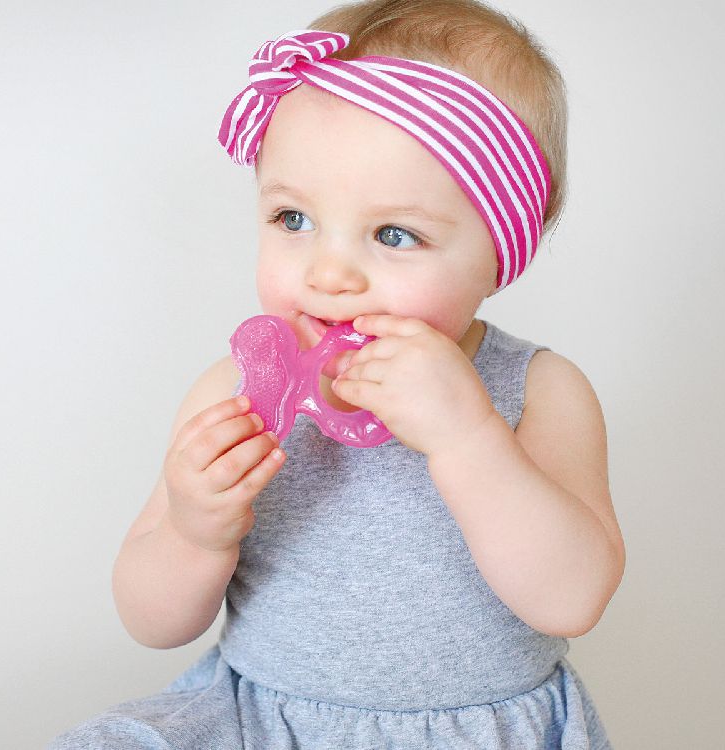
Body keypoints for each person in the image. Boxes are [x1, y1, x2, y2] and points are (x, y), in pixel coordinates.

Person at [50, 1, 625, 747]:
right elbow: (150, 622)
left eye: (393, 234)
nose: (329, 274)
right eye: (293, 219)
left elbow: (572, 599)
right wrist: (195, 531)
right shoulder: (235, 392)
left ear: (499, 253)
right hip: (267, 725)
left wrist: (467, 436)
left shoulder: (539, 390)